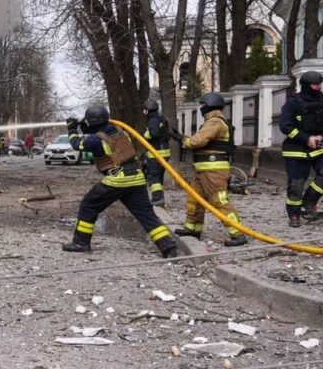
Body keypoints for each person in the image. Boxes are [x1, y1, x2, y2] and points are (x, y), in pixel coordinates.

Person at [62, 105, 177, 258]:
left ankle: (80, 243)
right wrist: (85, 127)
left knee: (88, 205)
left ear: (91, 122)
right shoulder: (120, 132)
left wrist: (71, 130)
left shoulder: (96, 140)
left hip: (118, 179)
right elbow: (102, 134)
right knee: (146, 214)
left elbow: (77, 144)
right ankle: (168, 246)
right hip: (136, 177)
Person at [171, 92, 248, 247]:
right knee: (194, 200)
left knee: (220, 201)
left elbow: (198, 141)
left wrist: (185, 141)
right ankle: (193, 229)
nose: (201, 108)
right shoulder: (211, 122)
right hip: (204, 171)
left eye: (203, 105)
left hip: (214, 171)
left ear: (209, 106)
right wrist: (183, 139)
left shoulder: (215, 122)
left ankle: (238, 234)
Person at [278, 71, 323, 227]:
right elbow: (285, 126)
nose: (318, 87)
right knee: (296, 184)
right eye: (315, 85)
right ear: (306, 86)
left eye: (319, 84)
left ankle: (309, 201)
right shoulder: (292, 103)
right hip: (296, 149)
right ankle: (294, 214)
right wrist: (306, 138)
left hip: (319, 147)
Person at [141, 98, 170, 207]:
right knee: (159, 176)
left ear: (148, 110)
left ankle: (157, 198)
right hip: (163, 152)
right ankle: (160, 197)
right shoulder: (160, 118)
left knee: (153, 176)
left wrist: (145, 135)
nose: (143, 112)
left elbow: (154, 134)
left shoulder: (153, 120)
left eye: (144, 110)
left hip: (156, 153)